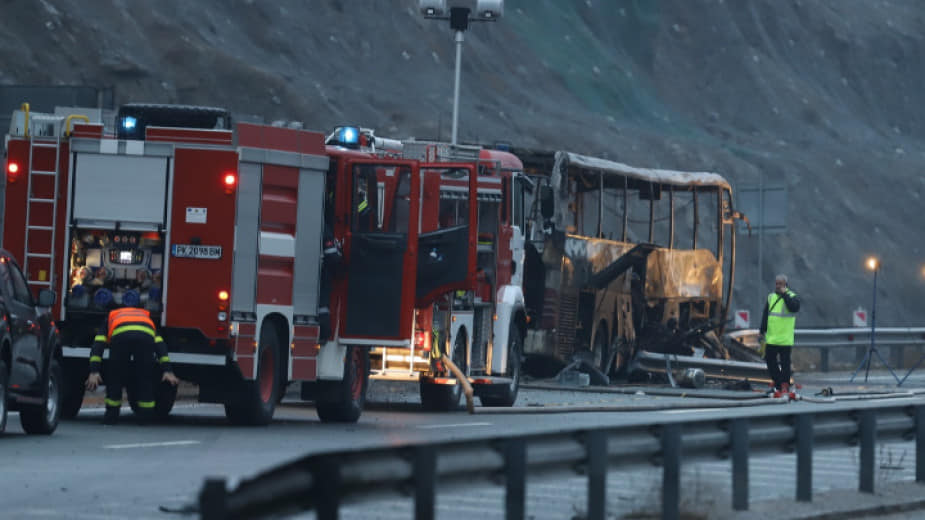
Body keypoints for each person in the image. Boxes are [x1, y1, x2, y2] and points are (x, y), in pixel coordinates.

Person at [85, 305, 179, 424]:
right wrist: (167, 370)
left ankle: (111, 417)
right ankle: (146, 417)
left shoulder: (111, 316)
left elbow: (98, 345)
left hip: (120, 338)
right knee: (145, 377)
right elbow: (160, 345)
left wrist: (94, 371)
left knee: (115, 376)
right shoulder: (146, 317)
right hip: (145, 337)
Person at [759, 274, 801, 394]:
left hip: (785, 338)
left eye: (780, 284)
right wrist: (762, 331)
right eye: (776, 283)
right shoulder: (771, 297)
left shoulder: (792, 296)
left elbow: (794, 308)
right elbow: (766, 314)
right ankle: (778, 382)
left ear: (785, 285)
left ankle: (784, 384)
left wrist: (785, 294)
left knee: (785, 363)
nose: (777, 286)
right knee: (770, 361)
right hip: (772, 338)